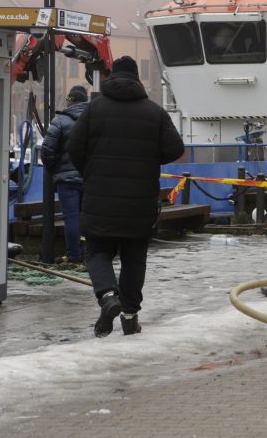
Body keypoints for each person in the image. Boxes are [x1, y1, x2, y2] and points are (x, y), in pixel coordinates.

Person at [67, 56, 184, 338]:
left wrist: (90, 171)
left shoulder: (94, 110)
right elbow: (175, 149)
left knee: (97, 250)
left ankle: (108, 297)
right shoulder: (155, 112)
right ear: (136, 80)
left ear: (110, 79)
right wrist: (149, 158)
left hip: (100, 197)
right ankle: (130, 318)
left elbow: (73, 148)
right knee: (134, 257)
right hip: (140, 199)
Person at [39, 84, 89, 265]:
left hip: (66, 179)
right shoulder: (94, 120)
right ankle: (90, 255)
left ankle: (74, 256)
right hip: (90, 178)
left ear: (70, 101)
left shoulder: (60, 121)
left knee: (71, 218)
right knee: (87, 217)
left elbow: (46, 150)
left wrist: (54, 169)